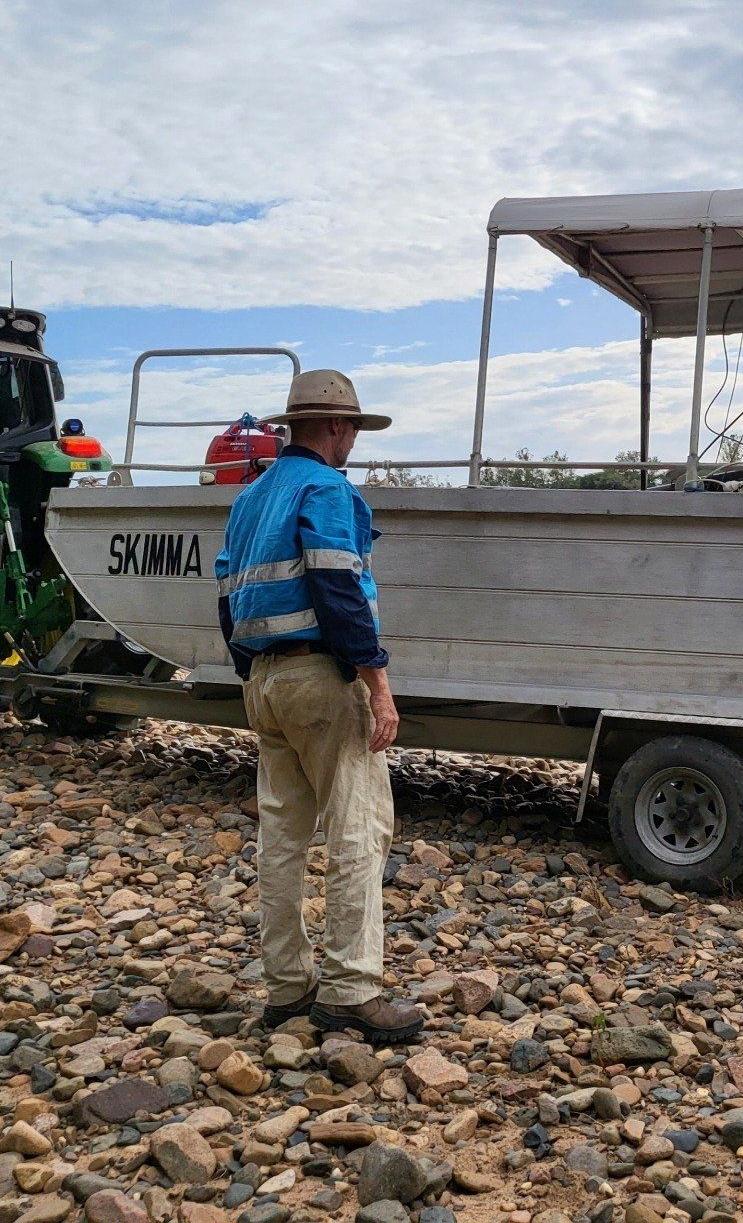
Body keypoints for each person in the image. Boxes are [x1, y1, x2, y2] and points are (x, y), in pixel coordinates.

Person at [213, 369, 421, 1043]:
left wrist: (253, 671)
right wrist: (377, 682)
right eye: (354, 428)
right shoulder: (329, 489)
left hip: (264, 683)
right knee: (359, 827)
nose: (353, 440)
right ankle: (351, 992)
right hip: (319, 680)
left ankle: (287, 989)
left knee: (283, 836)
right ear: (334, 426)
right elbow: (338, 587)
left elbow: (225, 595)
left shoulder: (250, 498)